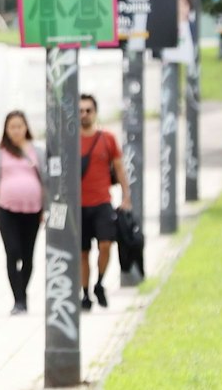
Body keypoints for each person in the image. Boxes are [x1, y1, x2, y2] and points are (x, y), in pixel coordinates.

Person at [0, 110, 46, 314]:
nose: (17, 130)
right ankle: (18, 300)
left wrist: (47, 208)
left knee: (28, 256)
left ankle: (22, 294)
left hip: (32, 210)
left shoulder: (38, 152)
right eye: (12, 127)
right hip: (7, 210)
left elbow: (46, 181)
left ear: (26, 127)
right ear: (6, 130)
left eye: (20, 126)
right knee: (13, 252)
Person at [76, 94, 130, 310]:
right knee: (83, 253)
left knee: (106, 245)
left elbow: (119, 168)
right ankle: (86, 292)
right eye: (80, 111)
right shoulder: (71, 141)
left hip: (102, 202)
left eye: (88, 110)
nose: (84, 114)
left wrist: (126, 196)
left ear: (95, 113)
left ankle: (99, 283)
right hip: (79, 205)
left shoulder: (107, 139)